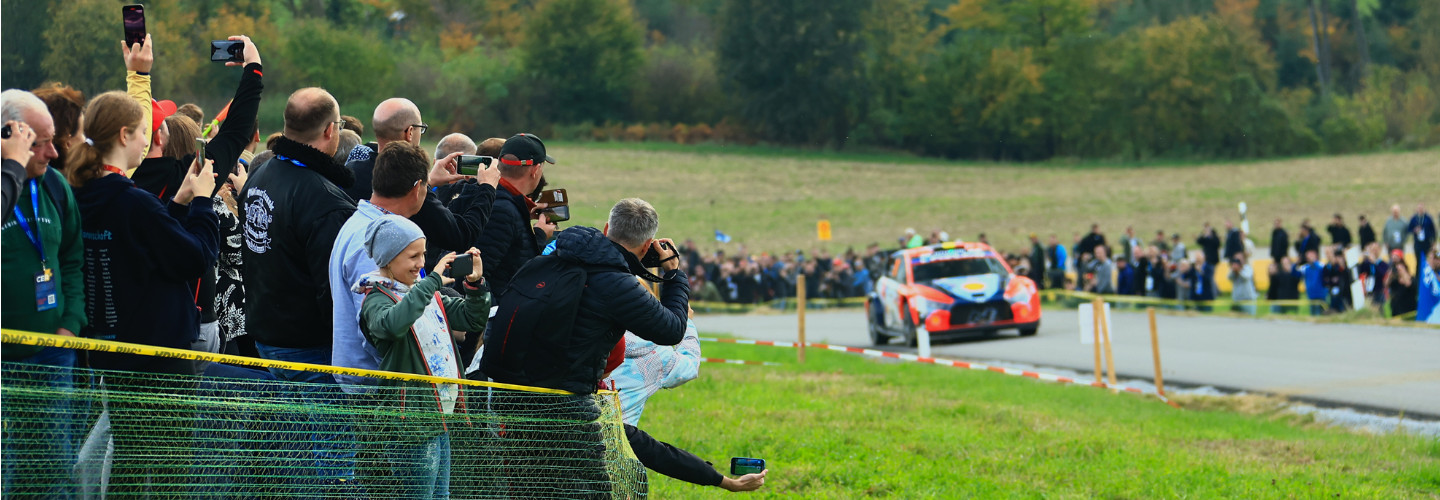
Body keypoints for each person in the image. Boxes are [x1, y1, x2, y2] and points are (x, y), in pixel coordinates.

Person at [482, 198, 688, 498]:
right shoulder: (617, 283)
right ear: (646, 247)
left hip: (512, 397)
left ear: (607, 229)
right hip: (566, 407)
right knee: (589, 492)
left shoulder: (553, 256)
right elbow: (671, 329)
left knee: (528, 490)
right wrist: (673, 273)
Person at [70, 88, 220, 496]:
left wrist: (180, 201)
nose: (153, 140)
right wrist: (205, 204)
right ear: (123, 135)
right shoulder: (132, 201)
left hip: (114, 350)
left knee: (131, 462)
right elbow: (193, 258)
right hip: (160, 353)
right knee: (170, 467)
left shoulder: (82, 195)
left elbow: (141, 249)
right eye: (145, 132)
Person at [239, 86, 358, 489]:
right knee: (329, 459)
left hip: (267, 333)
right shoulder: (325, 201)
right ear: (329, 131)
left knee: (290, 452)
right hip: (311, 346)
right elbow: (333, 290)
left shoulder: (260, 175)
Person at [356, 216, 489, 499]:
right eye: (413, 256)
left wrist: (476, 286)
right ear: (388, 259)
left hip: (437, 415)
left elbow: (471, 318)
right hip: (410, 424)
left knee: (440, 496)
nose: (421, 263)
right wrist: (430, 283)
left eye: (424, 254)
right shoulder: (377, 298)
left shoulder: (424, 292)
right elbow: (393, 325)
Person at [1, 88, 86, 497]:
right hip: (5, 357)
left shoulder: (54, 186)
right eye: (41, 143)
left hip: (52, 350)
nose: (54, 153)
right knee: (10, 467)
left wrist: (71, 324)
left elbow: (72, 258)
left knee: (53, 463)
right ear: (9, 135)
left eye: (54, 139)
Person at [330, 141, 432, 391]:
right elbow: (375, 329)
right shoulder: (378, 241)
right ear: (417, 188)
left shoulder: (361, 222)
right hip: (379, 384)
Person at [476, 133, 558, 297]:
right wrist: (540, 235)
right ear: (535, 170)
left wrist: (524, 214)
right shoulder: (503, 210)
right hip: (495, 313)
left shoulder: (496, 198)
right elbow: (479, 273)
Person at [1322, 248, 1352, 313]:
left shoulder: (1342, 267)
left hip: (1345, 294)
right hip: (1333, 293)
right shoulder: (1327, 267)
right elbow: (1326, 281)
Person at [1299, 250, 1326, 315]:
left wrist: (1314, 262)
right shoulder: (1305, 268)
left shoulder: (1321, 266)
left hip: (1321, 294)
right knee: (1313, 313)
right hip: (1311, 295)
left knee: (1321, 313)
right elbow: (1296, 273)